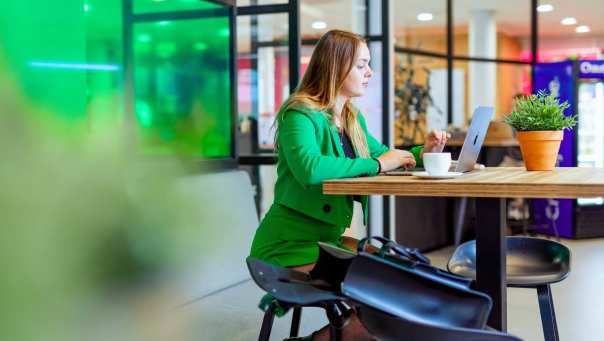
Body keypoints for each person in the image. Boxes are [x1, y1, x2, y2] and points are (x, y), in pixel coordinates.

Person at [249, 29, 448, 340]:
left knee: (397, 269)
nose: (369, 72)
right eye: (361, 65)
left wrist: (423, 153)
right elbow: (310, 168)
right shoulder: (299, 114)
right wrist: (380, 164)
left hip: (326, 241)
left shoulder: (351, 119)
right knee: (378, 280)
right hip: (284, 248)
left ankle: (346, 333)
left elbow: (383, 155)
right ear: (335, 66)